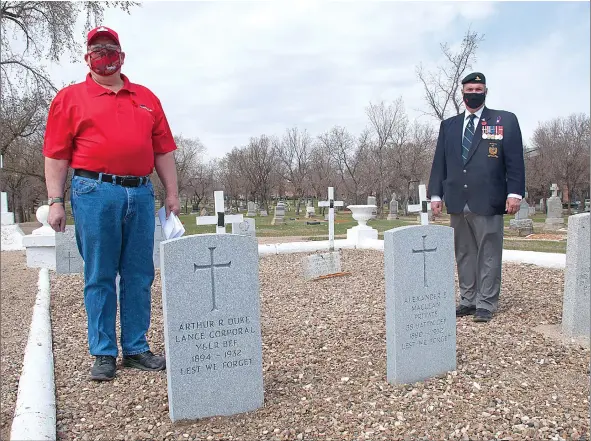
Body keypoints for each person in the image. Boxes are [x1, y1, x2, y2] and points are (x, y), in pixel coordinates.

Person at [43, 26, 180, 380]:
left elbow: (163, 150)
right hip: (94, 191)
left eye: (111, 48)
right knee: (100, 274)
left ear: (122, 54)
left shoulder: (146, 97)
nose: (105, 54)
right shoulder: (70, 98)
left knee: (138, 274)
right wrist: (55, 200)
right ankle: (103, 352)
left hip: (140, 191)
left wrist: (172, 193)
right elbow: (56, 155)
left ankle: (135, 347)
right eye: (97, 49)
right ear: (87, 57)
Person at [427, 72, 525, 323]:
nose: (473, 93)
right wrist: (436, 194)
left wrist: (515, 193)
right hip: (458, 198)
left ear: (485, 91)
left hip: (488, 198)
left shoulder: (505, 120)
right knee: (464, 252)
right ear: (462, 94)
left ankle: (486, 302)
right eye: (469, 89)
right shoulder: (449, 125)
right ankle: (468, 299)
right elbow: (440, 161)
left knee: (489, 252)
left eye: (478, 89)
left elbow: (514, 161)